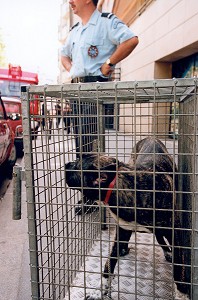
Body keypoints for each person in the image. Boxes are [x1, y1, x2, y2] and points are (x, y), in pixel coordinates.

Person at [61, 0, 139, 213]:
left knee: (90, 144)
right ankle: (91, 193)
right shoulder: (75, 30)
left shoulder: (106, 22)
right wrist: (73, 69)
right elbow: (63, 54)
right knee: (81, 144)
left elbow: (131, 40)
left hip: (95, 88)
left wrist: (109, 64)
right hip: (76, 91)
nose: (70, 2)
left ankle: (95, 194)